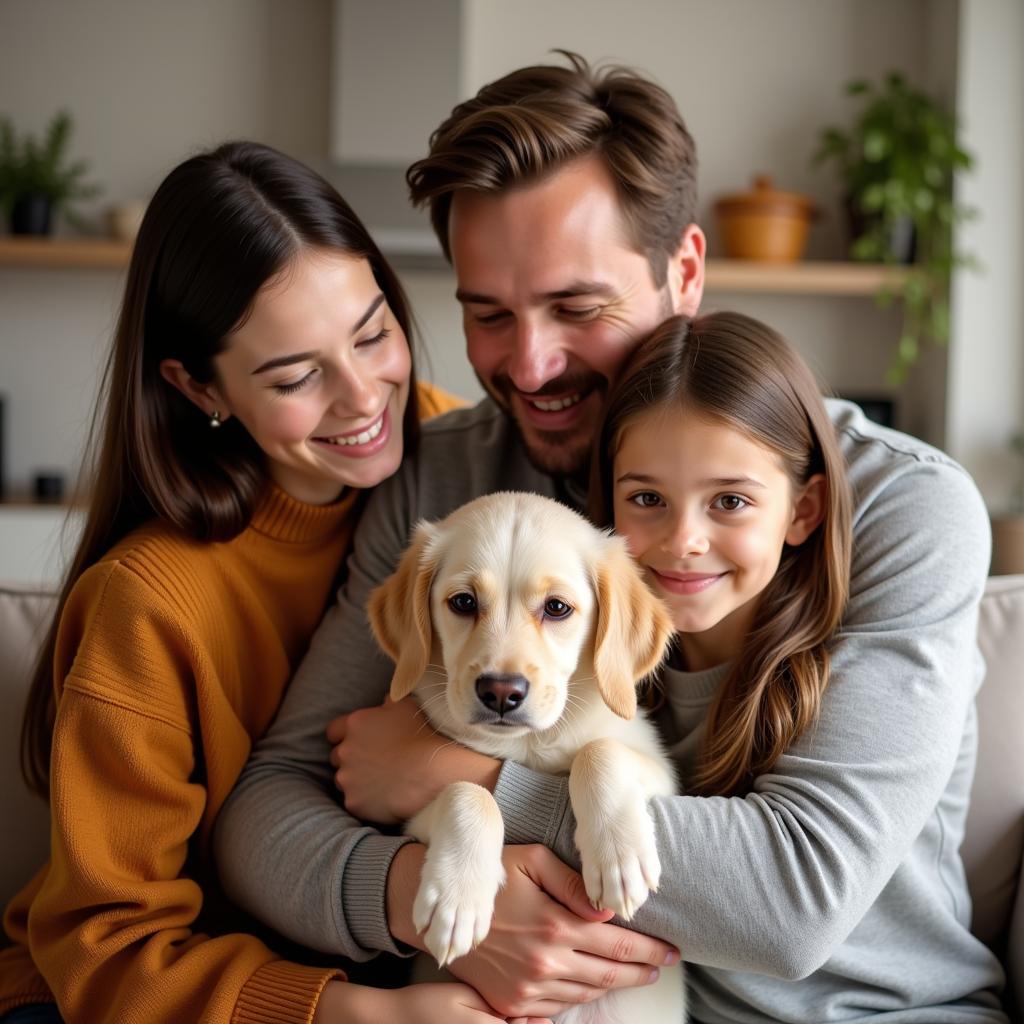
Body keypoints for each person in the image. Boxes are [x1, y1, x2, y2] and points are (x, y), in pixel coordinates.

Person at [214, 55, 1008, 1021]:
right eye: (489, 315)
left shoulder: (891, 505)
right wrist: (427, 901)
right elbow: (265, 814)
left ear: (684, 270)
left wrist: (472, 773)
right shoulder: (444, 483)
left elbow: (796, 902)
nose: (532, 363)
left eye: (577, 308)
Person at [0, 140, 533, 1024]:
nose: (365, 397)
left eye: (373, 334)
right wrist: (371, 1017)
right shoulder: (151, 601)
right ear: (197, 385)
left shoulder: (453, 459)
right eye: (295, 376)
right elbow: (106, 949)